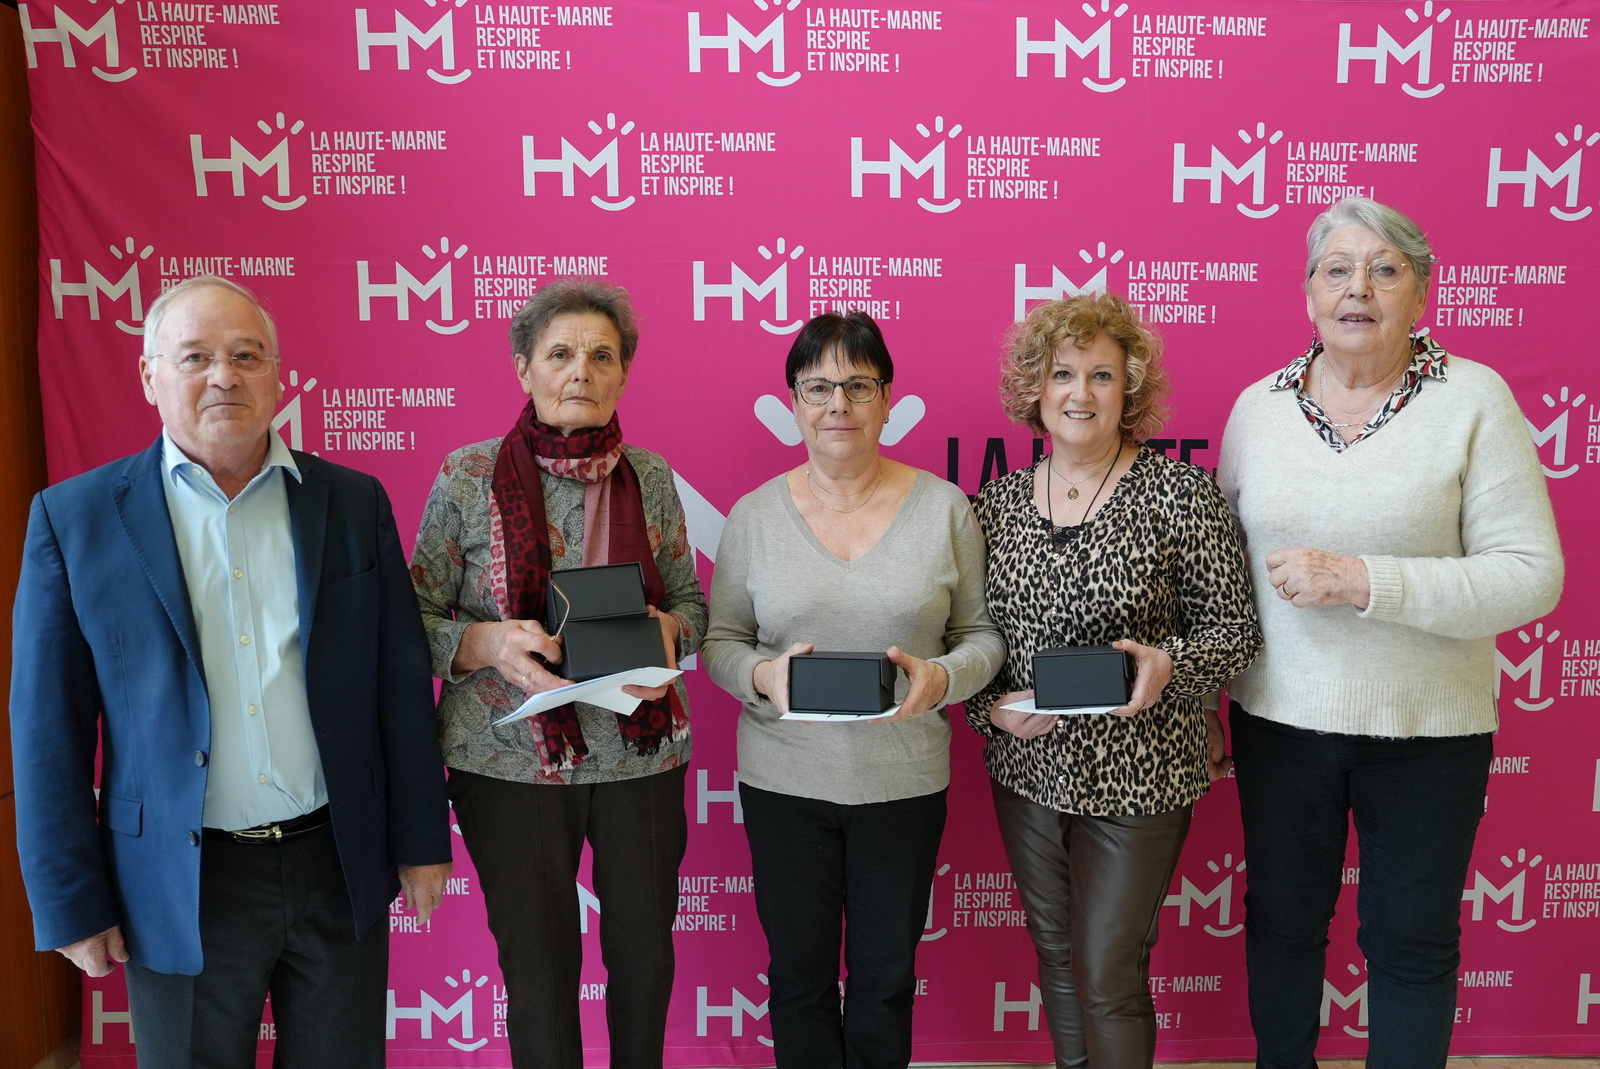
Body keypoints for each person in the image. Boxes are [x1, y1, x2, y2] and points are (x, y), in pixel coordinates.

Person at [10, 276, 453, 1069]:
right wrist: (69, 901)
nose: (224, 375)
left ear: (277, 374)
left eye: (247, 356)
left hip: (335, 862)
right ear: (149, 376)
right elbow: (47, 733)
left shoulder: (353, 502)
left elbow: (399, 685)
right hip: (177, 880)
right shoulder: (74, 520)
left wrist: (422, 837)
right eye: (195, 357)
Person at [1218, 196, 1563, 1067]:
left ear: (1422, 291)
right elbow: (1220, 583)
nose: (1358, 289)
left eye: (1384, 269)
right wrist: (1197, 703)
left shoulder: (1474, 400)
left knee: (1410, 941)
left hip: (1429, 735)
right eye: (1337, 270)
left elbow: (1532, 573)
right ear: (1307, 293)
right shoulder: (1257, 410)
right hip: (1279, 724)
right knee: (1283, 927)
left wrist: (1365, 580)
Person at [409, 279, 706, 1069]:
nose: (581, 371)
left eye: (602, 356)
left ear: (623, 374)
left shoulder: (649, 476)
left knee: (645, 962)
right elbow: (414, 618)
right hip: (509, 761)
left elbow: (690, 605)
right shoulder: (468, 475)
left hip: (641, 755)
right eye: (561, 353)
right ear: (524, 368)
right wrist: (486, 644)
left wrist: (669, 636)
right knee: (538, 976)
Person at [964, 292, 1261, 1067]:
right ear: (1034, 387)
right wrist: (991, 712)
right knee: (1057, 955)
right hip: (1028, 770)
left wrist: (1171, 667)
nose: (1081, 393)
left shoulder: (1180, 495)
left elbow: (1236, 632)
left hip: (1143, 774)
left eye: (1102, 374)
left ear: (1129, 390)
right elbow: (970, 644)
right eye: (1063, 373)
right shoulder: (993, 506)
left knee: (1107, 971)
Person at [702, 312, 1005, 1069]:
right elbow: (720, 642)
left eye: (859, 385)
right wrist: (762, 676)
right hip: (783, 783)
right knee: (799, 979)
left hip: (902, 784)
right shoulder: (753, 517)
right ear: (794, 402)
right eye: (818, 387)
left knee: (885, 980)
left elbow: (983, 637)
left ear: (887, 399)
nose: (838, 403)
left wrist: (943, 678)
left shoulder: (945, 509)